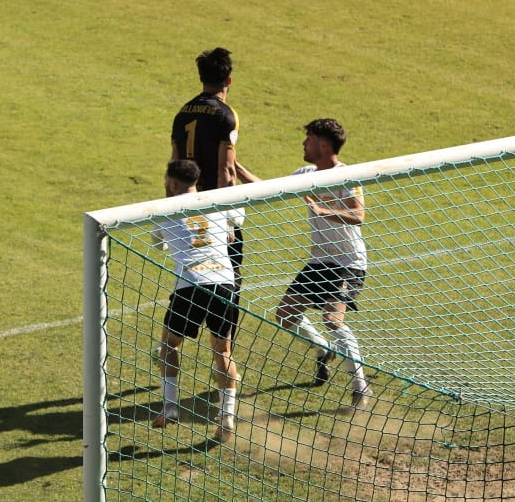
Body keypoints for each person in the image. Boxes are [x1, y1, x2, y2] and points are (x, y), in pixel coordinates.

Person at [240, 119, 373, 410]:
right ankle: (322, 348)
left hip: (348, 262)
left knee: (332, 320)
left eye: (308, 138)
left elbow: (359, 215)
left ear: (323, 145)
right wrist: (235, 166)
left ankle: (360, 386)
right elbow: (270, 189)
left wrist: (321, 209)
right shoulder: (305, 174)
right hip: (319, 261)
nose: (304, 143)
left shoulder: (348, 176)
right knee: (285, 315)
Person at [152, 159, 246, 441]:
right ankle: (226, 416)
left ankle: (170, 406)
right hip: (224, 284)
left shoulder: (163, 211)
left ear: (171, 183)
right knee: (223, 352)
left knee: (168, 345)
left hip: (190, 285)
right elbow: (237, 221)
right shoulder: (219, 201)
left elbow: (159, 244)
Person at [171, 47, 247, 284]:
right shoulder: (226, 115)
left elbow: (174, 163)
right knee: (227, 278)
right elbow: (226, 170)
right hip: (214, 210)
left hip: (187, 205)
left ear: (201, 77)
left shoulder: (182, 113)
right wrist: (227, 220)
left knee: (190, 274)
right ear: (229, 80)